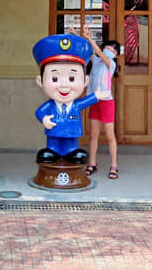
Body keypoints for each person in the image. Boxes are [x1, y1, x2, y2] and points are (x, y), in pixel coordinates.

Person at [33, 33, 112, 164]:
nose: (64, 85)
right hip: (54, 135)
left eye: (72, 78)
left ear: (86, 81)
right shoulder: (50, 105)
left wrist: (97, 96)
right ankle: (52, 151)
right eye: (55, 78)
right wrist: (44, 119)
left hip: (72, 133)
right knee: (49, 151)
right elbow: (39, 112)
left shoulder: (75, 105)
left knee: (75, 151)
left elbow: (84, 102)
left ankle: (71, 151)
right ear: (40, 81)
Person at [78, 26, 121, 179]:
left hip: (106, 103)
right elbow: (85, 50)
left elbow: (100, 53)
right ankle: (92, 164)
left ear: (116, 55)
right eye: (109, 47)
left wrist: (89, 38)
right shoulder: (95, 60)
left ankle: (114, 166)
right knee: (93, 135)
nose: (111, 50)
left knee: (110, 136)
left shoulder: (111, 63)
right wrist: (75, 35)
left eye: (114, 50)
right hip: (94, 101)